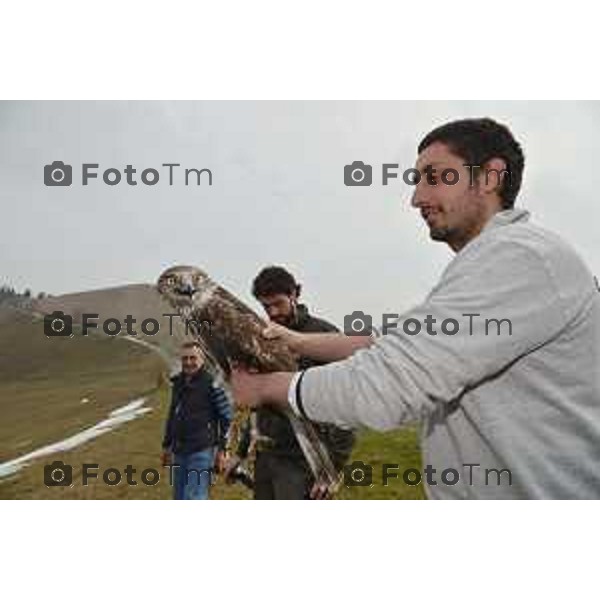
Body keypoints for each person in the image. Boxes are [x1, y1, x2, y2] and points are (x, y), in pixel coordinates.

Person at [229, 118, 600, 500]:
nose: (416, 198)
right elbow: (385, 345)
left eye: (435, 177)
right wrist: (295, 341)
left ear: (490, 177)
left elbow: (387, 383)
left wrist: (267, 387)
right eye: (416, 181)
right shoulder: (492, 265)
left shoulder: (520, 257)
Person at [226, 266, 355, 499]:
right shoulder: (262, 339)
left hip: (304, 463)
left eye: (278, 303)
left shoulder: (324, 335)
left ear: (295, 294)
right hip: (266, 458)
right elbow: (260, 400)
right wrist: (241, 452)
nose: (273, 312)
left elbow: (347, 408)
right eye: (266, 306)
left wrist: (331, 468)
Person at [161, 341, 232, 500]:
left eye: (193, 358)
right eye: (185, 358)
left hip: (201, 452)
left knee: (194, 497)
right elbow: (173, 415)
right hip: (179, 452)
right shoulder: (178, 383)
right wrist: (166, 446)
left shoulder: (213, 384)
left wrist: (223, 450)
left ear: (202, 359)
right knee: (179, 497)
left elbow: (227, 417)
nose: (188, 362)